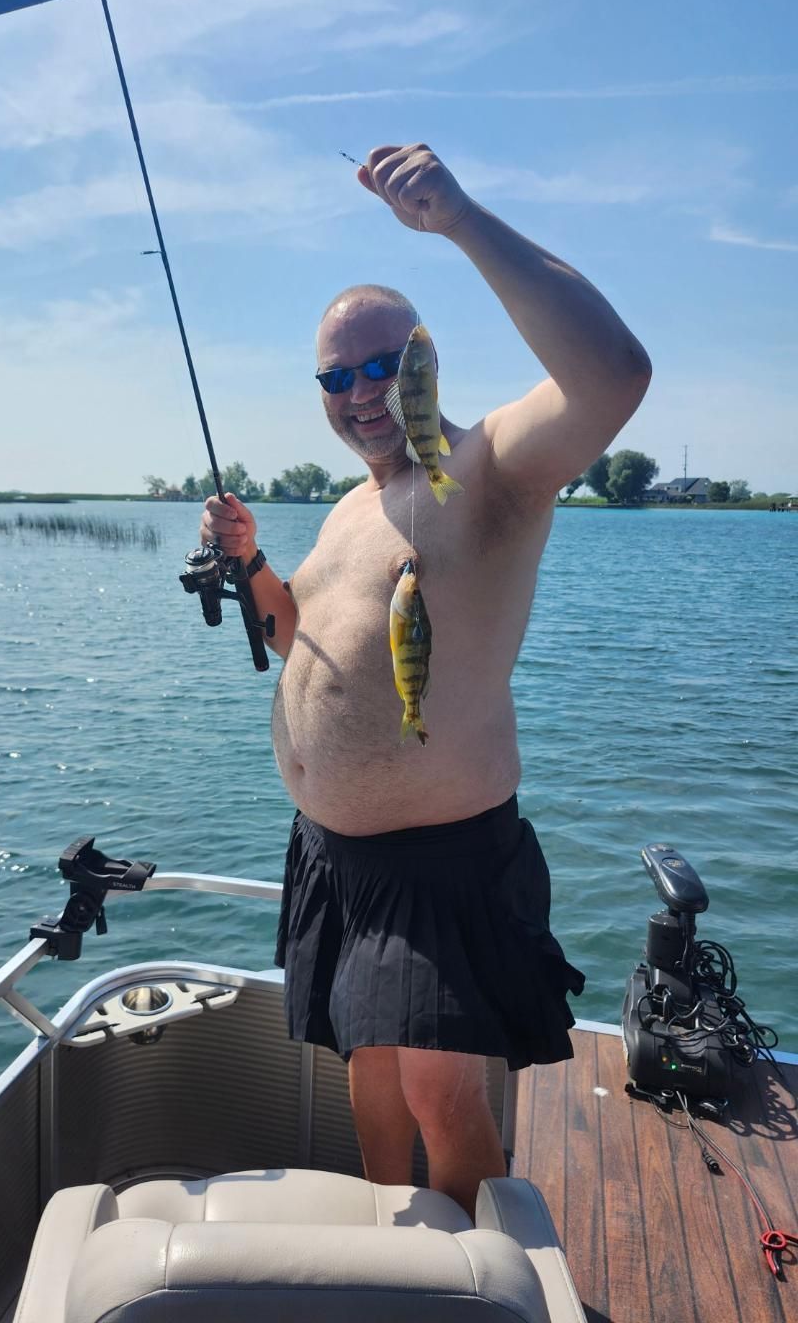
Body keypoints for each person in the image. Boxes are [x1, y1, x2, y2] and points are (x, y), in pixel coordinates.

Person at [198, 143, 651, 1217]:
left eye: (381, 364)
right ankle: (387, 1237)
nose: (360, 392)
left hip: (440, 858)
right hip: (333, 854)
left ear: (424, 361)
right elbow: (291, 638)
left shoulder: (490, 469)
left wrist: (458, 219)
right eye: (335, 375)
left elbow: (615, 377)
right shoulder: (354, 507)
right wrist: (254, 560)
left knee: (442, 1085)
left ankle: (458, 1279)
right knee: (368, 1057)